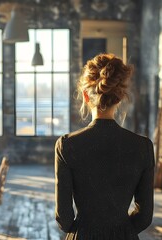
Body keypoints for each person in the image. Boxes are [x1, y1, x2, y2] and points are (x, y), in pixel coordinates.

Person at [54, 53, 155, 239]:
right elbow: (144, 217)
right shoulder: (143, 147)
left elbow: (65, 219)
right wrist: (122, 229)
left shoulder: (67, 146)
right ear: (120, 97)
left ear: (85, 96)